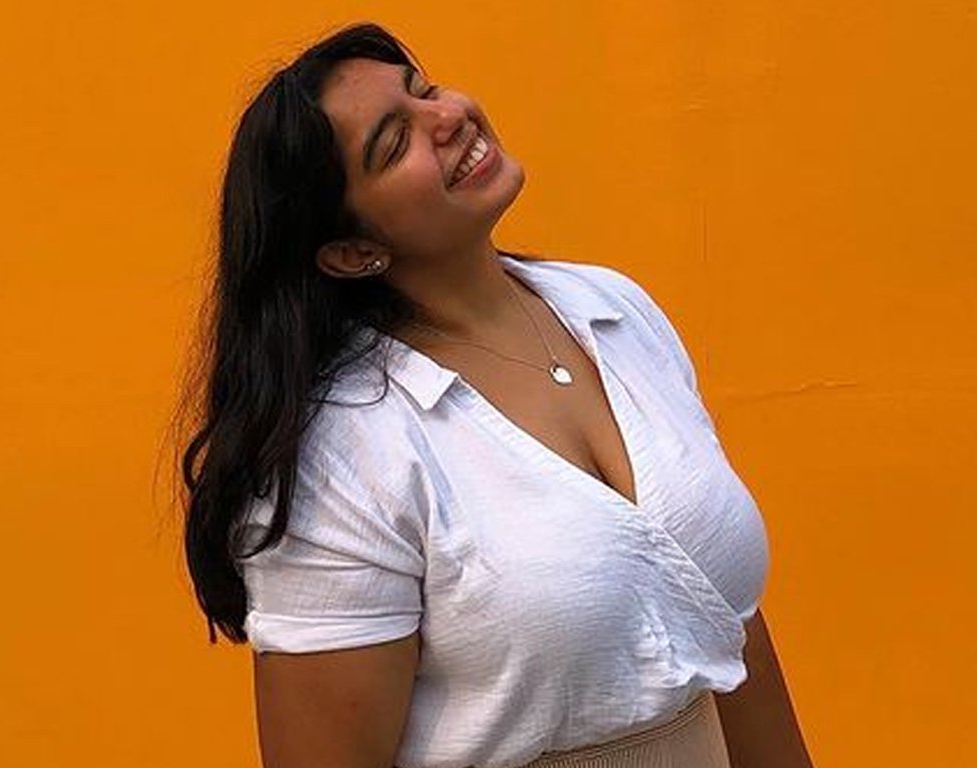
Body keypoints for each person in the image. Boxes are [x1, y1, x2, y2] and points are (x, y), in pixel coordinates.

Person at [178, 21, 814, 768]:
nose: (447, 117)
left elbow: (726, 630)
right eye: (395, 142)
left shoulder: (614, 312)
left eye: (425, 90)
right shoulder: (345, 453)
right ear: (353, 251)